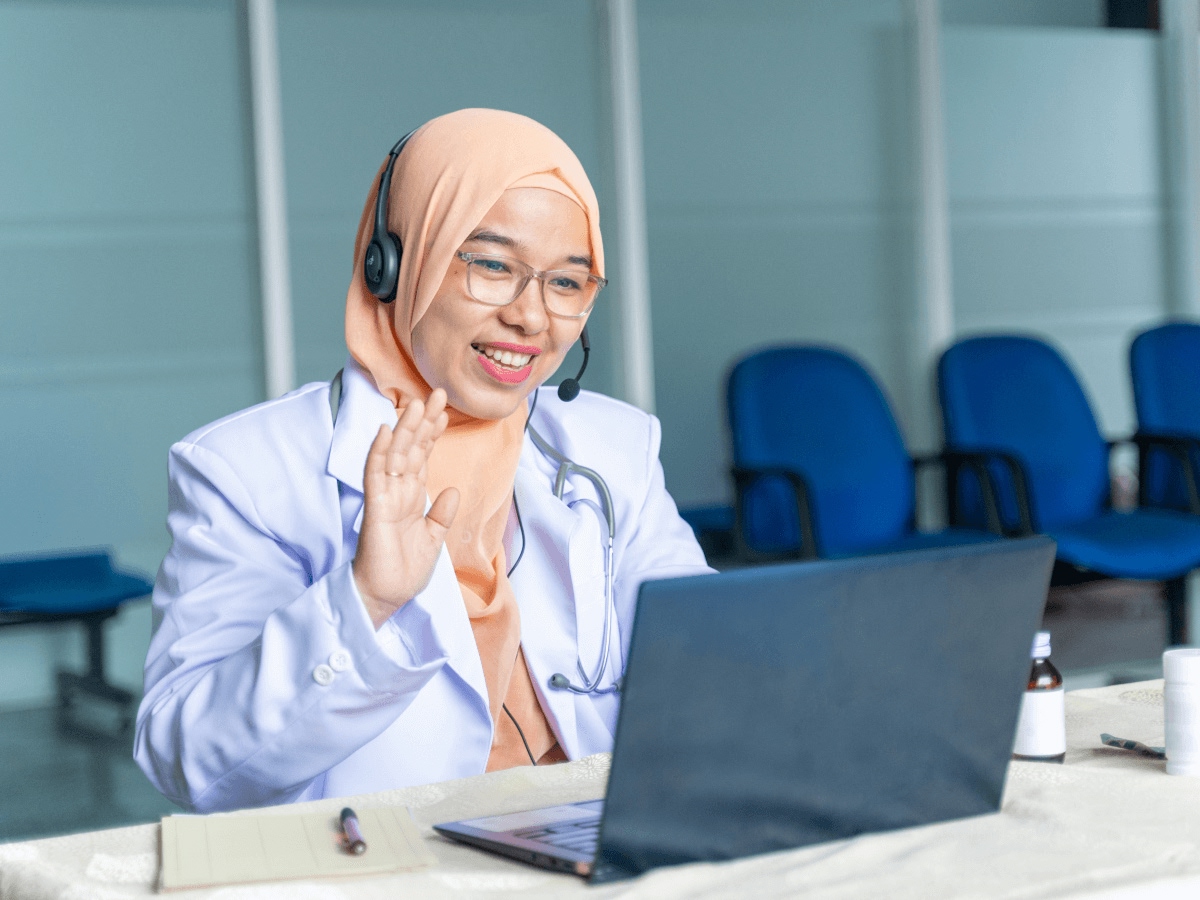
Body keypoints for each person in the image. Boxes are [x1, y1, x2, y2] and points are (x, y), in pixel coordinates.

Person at [134, 109, 711, 813]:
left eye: (567, 282)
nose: (532, 318)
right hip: (387, 858)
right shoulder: (248, 470)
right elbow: (186, 757)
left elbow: (708, 652)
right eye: (492, 266)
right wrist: (365, 602)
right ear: (395, 266)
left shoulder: (612, 449)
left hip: (600, 841)